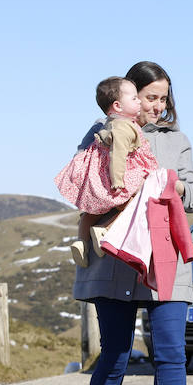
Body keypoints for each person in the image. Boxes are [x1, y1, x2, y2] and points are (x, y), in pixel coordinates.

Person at [74, 61, 193, 385]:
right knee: (113, 355)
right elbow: (84, 188)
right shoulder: (100, 133)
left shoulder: (178, 139)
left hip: (165, 261)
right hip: (114, 261)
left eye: (164, 98)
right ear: (128, 98)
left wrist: (174, 184)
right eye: (150, 97)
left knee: (171, 355)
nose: (158, 106)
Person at [54, 77, 158, 267]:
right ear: (118, 106)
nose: (139, 102)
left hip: (98, 175)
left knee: (91, 210)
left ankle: (81, 241)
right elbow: (118, 155)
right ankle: (104, 230)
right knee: (138, 197)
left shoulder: (109, 123)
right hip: (116, 174)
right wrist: (118, 181)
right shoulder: (125, 127)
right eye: (134, 98)